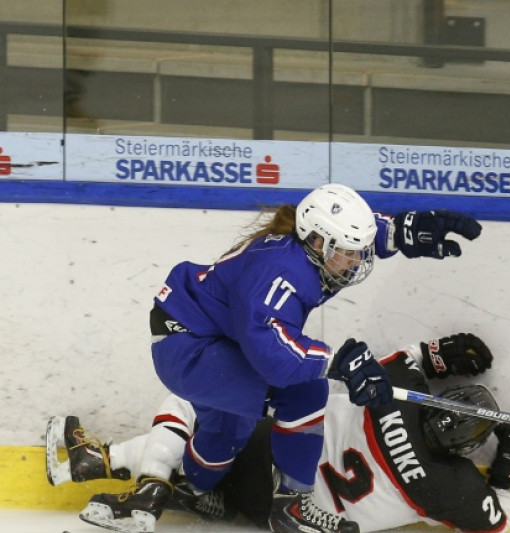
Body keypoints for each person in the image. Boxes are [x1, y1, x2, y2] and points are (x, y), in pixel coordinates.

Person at [76, 183, 482, 533]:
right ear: (318, 242)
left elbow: (354, 235)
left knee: (228, 433)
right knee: (305, 393)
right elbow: (270, 353)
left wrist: (400, 231)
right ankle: (290, 508)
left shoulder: (314, 250)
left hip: (212, 338)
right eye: (349, 252)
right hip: (190, 347)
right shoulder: (281, 274)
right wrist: (336, 361)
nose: (357, 261)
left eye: (358, 251)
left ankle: (195, 489)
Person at [47, 333, 510, 533]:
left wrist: (439, 352)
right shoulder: (453, 489)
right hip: (282, 516)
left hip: (266, 454)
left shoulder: (401, 395)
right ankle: (197, 494)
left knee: (199, 400)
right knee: (217, 438)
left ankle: (108, 465)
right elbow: (497, 519)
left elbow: (406, 360)